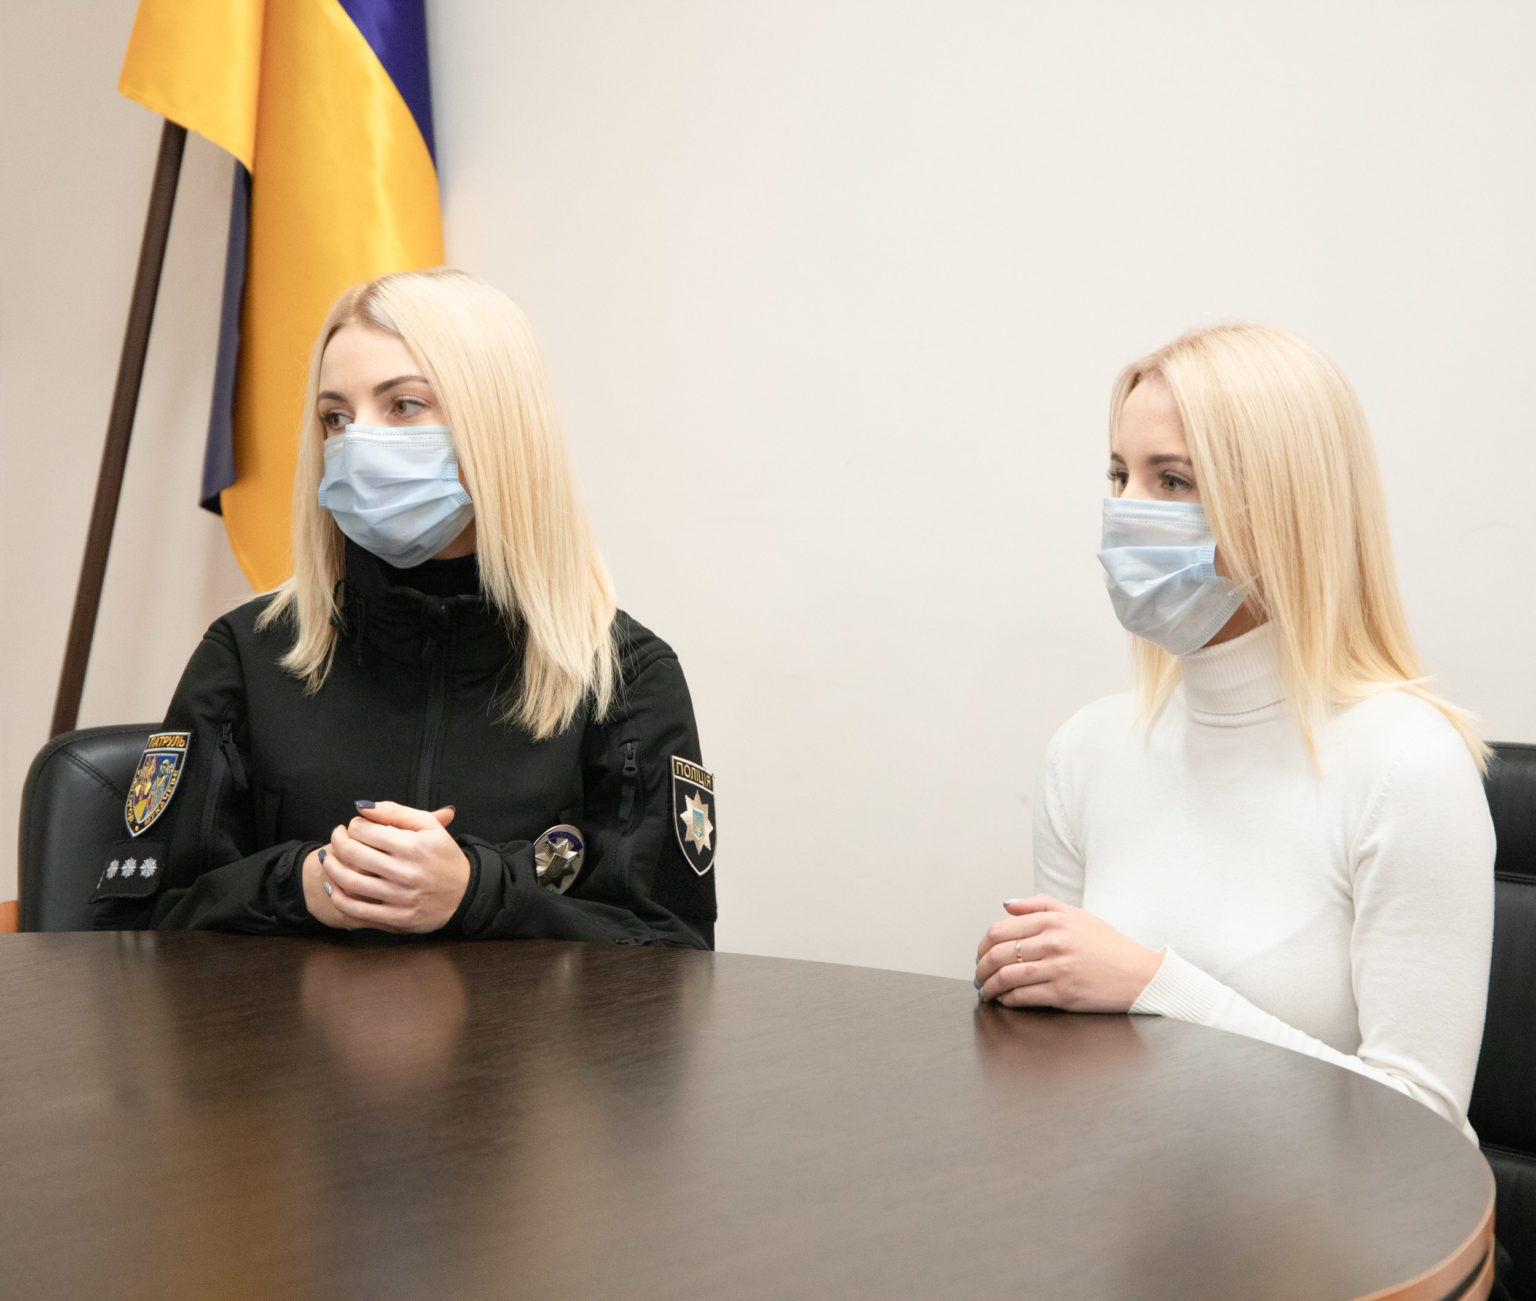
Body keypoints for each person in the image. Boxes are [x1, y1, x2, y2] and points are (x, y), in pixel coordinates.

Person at [974, 323, 1493, 1143]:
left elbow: (1419, 1131)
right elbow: (1067, 1071)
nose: (1126, 511)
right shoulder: (1087, 752)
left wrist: (1156, 986)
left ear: (1287, 507)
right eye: (1119, 474)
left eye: (1172, 479)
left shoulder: (1407, 764)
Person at [92, 268, 716, 948]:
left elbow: (673, 956)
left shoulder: (625, 677)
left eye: (404, 405)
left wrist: (478, 892)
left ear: (497, 425)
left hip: (517, 1025)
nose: (357, 442)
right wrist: (300, 885)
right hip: (284, 1022)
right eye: (336, 417)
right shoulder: (248, 653)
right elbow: (134, 927)